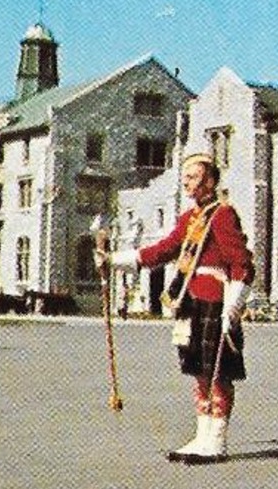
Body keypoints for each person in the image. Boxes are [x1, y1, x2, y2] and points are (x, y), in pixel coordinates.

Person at [104, 153, 252, 463]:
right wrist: (114, 261)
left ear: (210, 181)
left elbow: (242, 264)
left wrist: (233, 307)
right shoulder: (190, 219)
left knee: (216, 373)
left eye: (193, 177)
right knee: (199, 371)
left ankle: (217, 440)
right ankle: (202, 435)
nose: (186, 182)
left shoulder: (222, 215)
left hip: (214, 300)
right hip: (190, 300)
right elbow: (164, 250)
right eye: (184, 177)